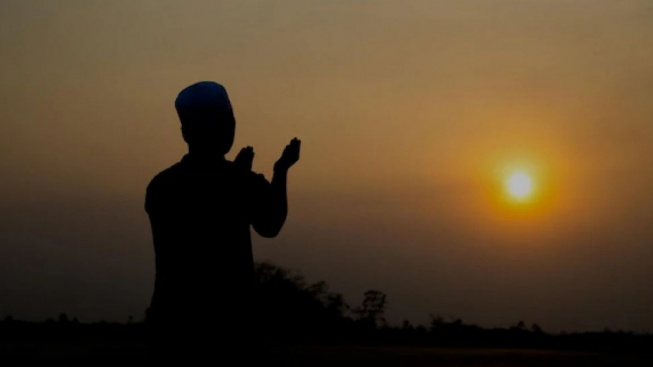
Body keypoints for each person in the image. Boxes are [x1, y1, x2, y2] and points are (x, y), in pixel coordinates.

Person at [144, 81, 300, 363]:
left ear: (185, 133)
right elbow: (270, 224)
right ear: (228, 127)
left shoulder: (162, 185)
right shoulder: (238, 181)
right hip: (229, 327)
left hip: (171, 323)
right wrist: (280, 171)